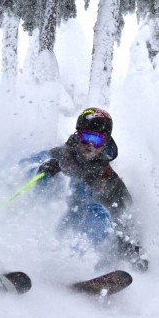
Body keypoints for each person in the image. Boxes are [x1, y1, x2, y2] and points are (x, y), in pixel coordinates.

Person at [29, 107, 148, 272]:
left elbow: (125, 213)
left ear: (105, 142)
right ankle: (51, 261)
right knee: (78, 197)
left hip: (86, 234)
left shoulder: (107, 177)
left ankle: (84, 267)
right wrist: (41, 170)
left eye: (97, 140)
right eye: (86, 137)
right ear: (78, 135)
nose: (90, 145)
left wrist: (131, 246)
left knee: (97, 212)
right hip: (46, 222)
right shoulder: (59, 156)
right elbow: (21, 170)